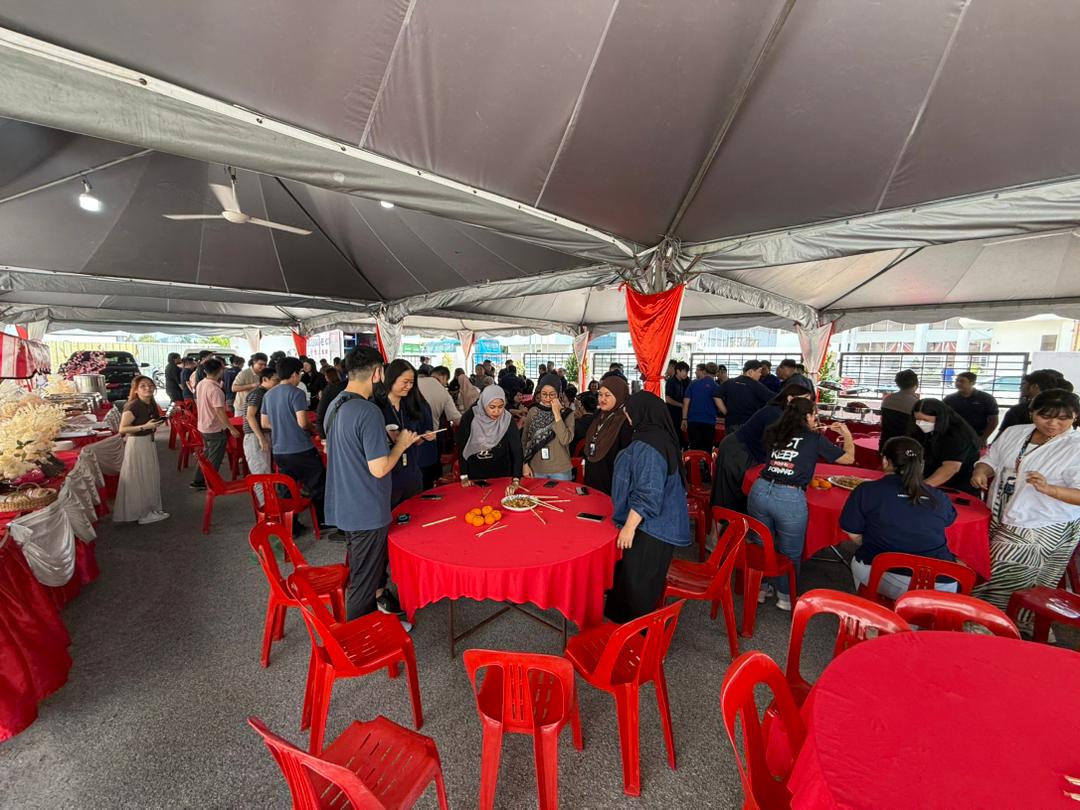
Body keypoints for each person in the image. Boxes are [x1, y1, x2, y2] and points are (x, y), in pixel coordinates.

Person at [324, 347, 421, 622]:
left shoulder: (336, 404)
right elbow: (379, 468)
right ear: (378, 373)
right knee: (364, 584)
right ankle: (357, 637)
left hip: (345, 502)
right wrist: (401, 445)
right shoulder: (368, 411)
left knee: (361, 572)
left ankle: (362, 626)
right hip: (366, 507)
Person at [970, 389, 1080, 615]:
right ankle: (984, 619)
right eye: (1045, 416)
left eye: (1063, 418)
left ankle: (997, 622)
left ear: (1075, 416)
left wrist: (1050, 489)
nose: (1053, 424)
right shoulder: (1015, 432)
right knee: (989, 570)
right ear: (1032, 413)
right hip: (1000, 512)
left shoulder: (1075, 446)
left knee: (1006, 576)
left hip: (1042, 523)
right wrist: (981, 471)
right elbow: (991, 459)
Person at [747, 399, 854, 610]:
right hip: (789, 496)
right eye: (814, 415)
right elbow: (848, 459)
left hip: (760, 489)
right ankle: (785, 596)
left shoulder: (774, 432)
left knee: (761, 544)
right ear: (807, 416)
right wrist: (847, 434)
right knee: (790, 551)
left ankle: (761, 588)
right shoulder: (814, 438)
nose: (816, 419)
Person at [607, 392, 691, 622]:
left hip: (652, 528)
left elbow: (648, 492)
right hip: (656, 523)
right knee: (634, 577)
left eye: (629, 414)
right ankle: (624, 626)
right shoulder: (658, 436)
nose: (628, 419)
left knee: (639, 583)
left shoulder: (649, 447)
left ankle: (640, 633)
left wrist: (629, 527)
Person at [841, 437, 959, 600]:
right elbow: (946, 521)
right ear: (921, 464)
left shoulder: (867, 490)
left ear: (885, 461)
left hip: (884, 573)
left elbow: (852, 531)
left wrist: (874, 542)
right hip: (941, 582)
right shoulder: (939, 496)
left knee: (860, 560)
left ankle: (873, 608)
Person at [711, 383, 812, 513]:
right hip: (738, 450)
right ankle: (723, 523)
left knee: (740, 493)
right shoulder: (775, 412)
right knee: (730, 494)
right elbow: (777, 442)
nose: (807, 405)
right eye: (804, 400)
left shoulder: (785, 414)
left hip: (750, 451)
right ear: (790, 398)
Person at [261, 357, 326, 528]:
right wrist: (314, 429)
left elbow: (264, 423)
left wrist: (281, 425)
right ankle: (322, 520)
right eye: (300, 373)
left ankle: (291, 525)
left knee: (287, 488)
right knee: (317, 484)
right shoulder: (296, 393)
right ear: (294, 374)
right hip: (301, 449)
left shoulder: (269, 394)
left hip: (279, 450)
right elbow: (303, 423)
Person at [376, 360, 436, 505]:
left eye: (412, 383)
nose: (409, 386)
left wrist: (424, 437)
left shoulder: (412, 406)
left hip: (411, 474)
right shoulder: (377, 408)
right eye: (405, 382)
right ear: (391, 379)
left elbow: (414, 440)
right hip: (388, 478)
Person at [114, 376, 168, 524]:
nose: (148, 388)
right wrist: (145, 427)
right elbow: (122, 429)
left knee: (149, 476)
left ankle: (151, 508)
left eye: (150, 385)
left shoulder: (150, 402)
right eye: (143, 386)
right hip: (137, 443)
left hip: (148, 441)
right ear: (136, 390)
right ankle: (142, 512)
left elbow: (151, 422)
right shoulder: (133, 405)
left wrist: (157, 422)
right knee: (140, 478)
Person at [911, 398, 981, 494]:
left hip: (958, 485)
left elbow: (951, 467)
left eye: (925, 420)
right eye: (917, 419)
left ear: (939, 417)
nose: (920, 423)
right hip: (935, 480)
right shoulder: (930, 429)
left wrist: (920, 488)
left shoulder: (958, 434)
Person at [456, 384, 523, 485]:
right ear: (484, 403)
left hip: (502, 473)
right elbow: (462, 446)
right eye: (492, 407)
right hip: (475, 473)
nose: (496, 411)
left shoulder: (506, 419)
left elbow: (517, 449)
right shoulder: (470, 417)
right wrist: (464, 476)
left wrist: (516, 479)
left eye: (500, 407)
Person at [190, 358, 239, 490]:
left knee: (207, 455)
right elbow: (219, 412)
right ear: (220, 370)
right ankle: (210, 482)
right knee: (215, 457)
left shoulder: (201, 383)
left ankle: (199, 480)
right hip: (214, 428)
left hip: (204, 425)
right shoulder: (215, 390)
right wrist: (231, 428)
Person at [583, 375, 633, 494]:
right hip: (592, 481)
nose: (602, 399)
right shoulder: (598, 416)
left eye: (607, 395)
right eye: (600, 394)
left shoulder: (625, 422)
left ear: (619, 395)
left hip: (611, 486)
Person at [522, 373, 575, 480]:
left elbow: (565, 439)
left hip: (560, 470)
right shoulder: (533, 411)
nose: (547, 398)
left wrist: (557, 413)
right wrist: (525, 463)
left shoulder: (567, 413)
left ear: (558, 394)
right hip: (536, 468)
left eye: (552, 394)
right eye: (544, 394)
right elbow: (525, 440)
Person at [244, 368, 279, 504]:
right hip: (255, 437)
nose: (278, 383)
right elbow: (250, 416)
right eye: (275, 380)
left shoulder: (267, 393)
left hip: (262, 435)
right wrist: (261, 438)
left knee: (266, 472)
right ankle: (266, 507)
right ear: (264, 379)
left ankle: (270, 504)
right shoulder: (258, 393)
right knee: (261, 474)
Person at [998, 369, 1066, 433]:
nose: (1020, 387)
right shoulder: (1063, 408)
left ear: (1034, 386)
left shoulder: (1019, 410)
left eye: (1024, 384)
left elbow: (1003, 435)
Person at [943, 372, 1000, 446]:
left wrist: (983, 438)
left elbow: (993, 421)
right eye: (956, 380)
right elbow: (942, 417)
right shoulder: (949, 399)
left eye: (962, 381)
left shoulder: (986, 398)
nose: (958, 383)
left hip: (977, 437)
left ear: (972, 383)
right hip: (953, 438)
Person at [718, 360, 774, 433]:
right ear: (750, 372)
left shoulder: (730, 382)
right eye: (759, 371)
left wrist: (726, 412)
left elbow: (716, 396)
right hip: (748, 424)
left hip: (731, 423)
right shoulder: (756, 385)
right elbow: (775, 398)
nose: (760, 374)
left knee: (730, 440)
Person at [681, 362, 723, 452]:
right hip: (709, 421)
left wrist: (684, 419)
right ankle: (706, 461)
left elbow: (686, 402)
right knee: (707, 450)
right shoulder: (716, 387)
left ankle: (693, 461)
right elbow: (719, 406)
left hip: (693, 420)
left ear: (705, 371)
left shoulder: (693, 384)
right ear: (716, 373)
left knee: (694, 449)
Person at [879, 369, 919, 448]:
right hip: (905, 446)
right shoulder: (916, 403)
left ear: (898, 384)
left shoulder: (887, 399)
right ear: (916, 384)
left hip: (886, 443)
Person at [315, 366, 344, 438]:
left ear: (329, 376)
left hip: (331, 423)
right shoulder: (344, 386)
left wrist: (321, 433)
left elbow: (321, 410)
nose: (324, 377)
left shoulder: (329, 390)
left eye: (325, 375)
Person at [664, 361, 691, 440]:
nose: (686, 373)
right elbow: (667, 399)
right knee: (675, 435)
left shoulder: (684, 381)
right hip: (673, 413)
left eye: (687, 371)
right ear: (678, 371)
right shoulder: (671, 382)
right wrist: (681, 405)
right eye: (685, 371)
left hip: (681, 413)